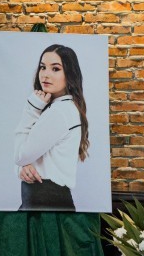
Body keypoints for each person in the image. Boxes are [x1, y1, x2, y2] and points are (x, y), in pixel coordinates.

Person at [14, 44, 90, 211]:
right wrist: (22, 166)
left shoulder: (60, 111)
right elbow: (23, 157)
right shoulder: (60, 107)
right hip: (42, 200)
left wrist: (31, 110)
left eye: (55, 69)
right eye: (43, 67)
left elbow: (20, 155)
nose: (45, 74)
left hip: (46, 202)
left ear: (69, 74)